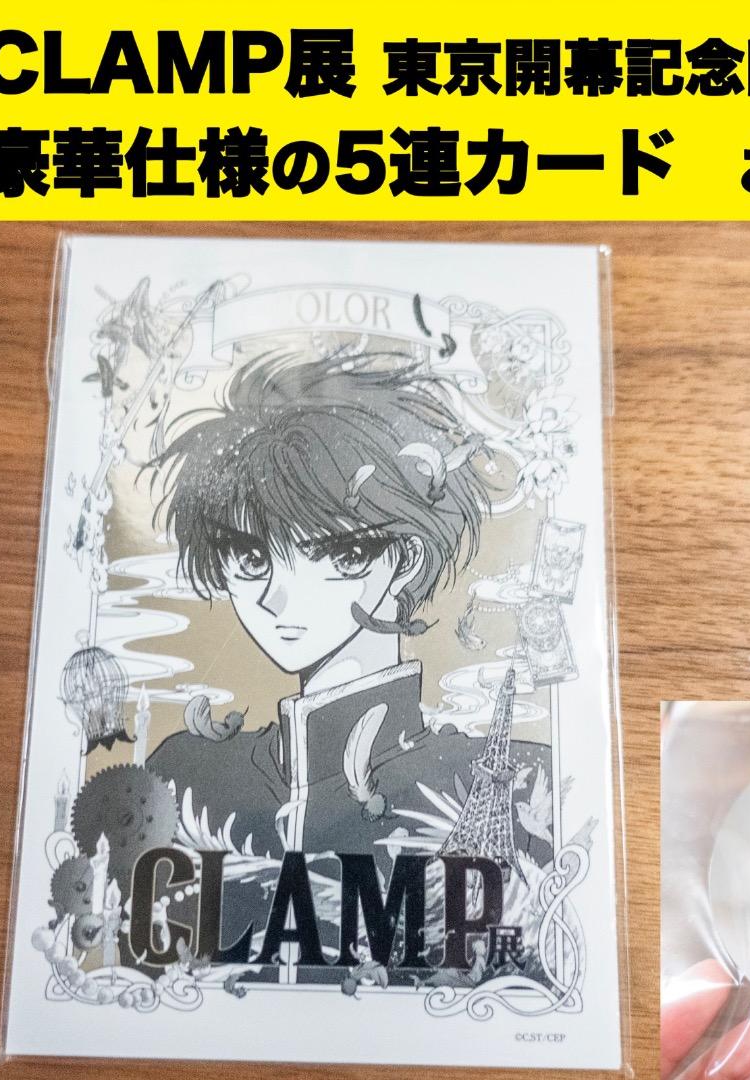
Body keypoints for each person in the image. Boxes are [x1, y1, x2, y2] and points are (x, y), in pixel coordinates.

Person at [143, 351, 550, 960]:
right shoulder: (185, 777)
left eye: (335, 553)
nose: (277, 597)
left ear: (405, 559)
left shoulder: (518, 783)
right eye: (251, 558)